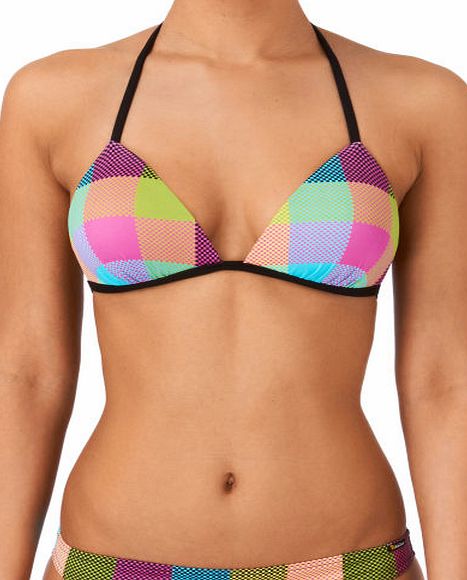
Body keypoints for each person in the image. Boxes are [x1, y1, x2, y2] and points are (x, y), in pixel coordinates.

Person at [0, 1, 465, 579]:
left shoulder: (423, 102)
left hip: (350, 564)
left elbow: (444, 379)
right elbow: (27, 373)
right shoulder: (52, 98)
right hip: (111, 563)